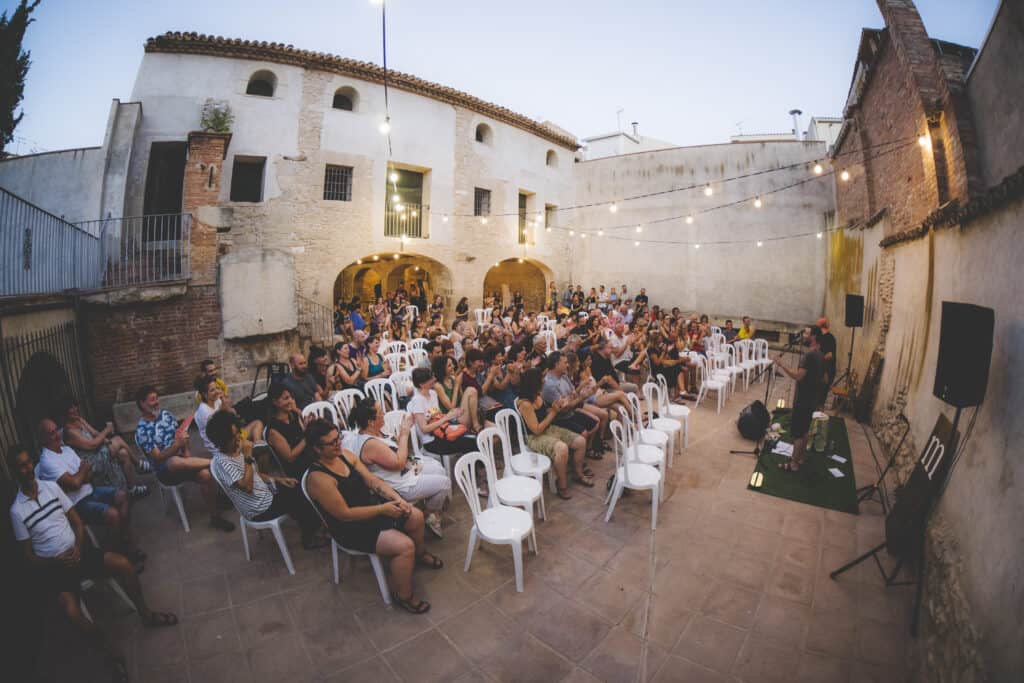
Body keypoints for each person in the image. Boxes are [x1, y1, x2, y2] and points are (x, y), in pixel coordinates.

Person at [9, 446, 178, 683]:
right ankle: (111, 654)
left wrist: (78, 547)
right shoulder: (17, 511)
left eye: (28, 463)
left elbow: (77, 523)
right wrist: (54, 560)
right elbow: (29, 556)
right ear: (14, 471)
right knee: (71, 612)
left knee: (123, 564)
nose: (27, 469)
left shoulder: (51, 488)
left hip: (79, 552)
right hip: (55, 568)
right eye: (21, 466)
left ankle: (147, 615)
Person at [304, 419, 441, 614]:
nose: (338, 444)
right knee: (404, 546)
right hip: (350, 527)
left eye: (338, 438)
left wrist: (396, 498)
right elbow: (345, 514)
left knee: (416, 516)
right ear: (317, 449)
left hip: (372, 508)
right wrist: (383, 509)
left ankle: (419, 556)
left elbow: (372, 480)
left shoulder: (344, 455)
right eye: (332, 442)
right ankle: (404, 596)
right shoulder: (319, 478)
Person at [206, 411, 327, 550]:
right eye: (233, 436)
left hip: (266, 495)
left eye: (238, 432)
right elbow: (247, 486)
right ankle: (310, 537)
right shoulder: (222, 462)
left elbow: (255, 475)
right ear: (222, 440)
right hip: (259, 509)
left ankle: (312, 524)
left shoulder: (236, 449)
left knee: (298, 484)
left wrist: (278, 479)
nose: (239, 437)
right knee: (300, 497)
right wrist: (248, 456)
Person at [35, 419, 142, 561]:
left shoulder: (66, 450)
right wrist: (81, 473)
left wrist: (80, 476)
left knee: (123, 496)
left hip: (89, 490)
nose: (57, 435)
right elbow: (75, 483)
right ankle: (117, 554)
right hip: (75, 504)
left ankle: (119, 544)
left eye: (56, 430)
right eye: (51, 433)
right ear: (43, 439)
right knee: (113, 515)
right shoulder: (47, 461)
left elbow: (88, 474)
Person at [134, 386, 234, 532]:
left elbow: (181, 432)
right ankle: (218, 462)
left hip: (181, 460)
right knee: (173, 461)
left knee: (205, 475)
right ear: (142, 404)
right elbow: (157, 457)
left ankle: (215, 517)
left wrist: (186, 450)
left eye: (157, 398)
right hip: (165, 469)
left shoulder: (166, 415)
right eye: (152, 400)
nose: (156, 402)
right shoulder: (142, 430)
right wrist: (177, 447)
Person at [349, 397, 450, 537]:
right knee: (444, 483)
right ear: (370, 422)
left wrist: (402, 432)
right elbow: (398, 463)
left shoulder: (377, 431)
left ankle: (431, 505)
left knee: (438, 468)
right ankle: (428, 514)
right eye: (380, 412)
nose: (384, 414)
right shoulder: (370, 444)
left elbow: (393, 446)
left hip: (407, 467)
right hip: (400, 482)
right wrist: (404, 432)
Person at [514, 368, 587, 499]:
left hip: (548, 429)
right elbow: (536, 430)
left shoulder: (537, 395)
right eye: (541, 379)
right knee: (562, 449)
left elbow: (545, 413)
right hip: (534, 437)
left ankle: (578, 473)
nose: (544, 380)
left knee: (581, 441)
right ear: (533, 383)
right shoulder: (525, 404)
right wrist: (553, 412)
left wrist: (555, 406)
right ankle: (562, 485)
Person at [55, 396, 147, 497]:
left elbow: (94, 433)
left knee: (123, 453)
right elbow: (92, 445)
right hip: (90, 461)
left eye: (75, 406)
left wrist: (106, 441)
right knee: (117, 439)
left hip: (97, 450)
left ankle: (131, 488)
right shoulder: (69, 432)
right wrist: (107, 431)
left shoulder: (79, 420)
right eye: (71, 408)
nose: (75, 409)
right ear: (65, 413)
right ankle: (138, 464)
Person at [775, 328, 827, 473]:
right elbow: (825, 379)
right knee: (804, 431)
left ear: (814, 337)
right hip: (811, 399)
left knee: (798, 433)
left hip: (803, 400)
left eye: (806, 334)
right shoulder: (821, 355)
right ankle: (801, 458)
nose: (803, 336)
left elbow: (798, 376)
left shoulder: (809, 355)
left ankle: (793, 464)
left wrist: (781, 364)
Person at [541, 352, 601, 470]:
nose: (568, 365)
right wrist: (581, 397)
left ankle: (582, 454)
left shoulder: (563, 375)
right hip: (558, 419)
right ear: (556, 364)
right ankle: (576, 464)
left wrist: (580, 391)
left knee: (595, 423)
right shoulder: (550, 385)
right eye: (565, 363)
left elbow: (573, 394)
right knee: (583, 433)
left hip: (571, 411)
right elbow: (564, 409)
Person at [193, 376, 263, 457]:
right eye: (212, 390)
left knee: (257, 423)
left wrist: (225, 401)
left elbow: (233, 415)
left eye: (216, 388)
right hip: (222, 445)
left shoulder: (216, 401)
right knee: (250, 446)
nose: (216, 391)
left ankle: (258, 446)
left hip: (232, 435)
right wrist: (223, 410)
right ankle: (255, 454)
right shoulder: (204, 412)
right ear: (205, 395)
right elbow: (222, 434)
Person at [265, 382, 315, 480]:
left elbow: (301, 434)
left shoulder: (293, 415)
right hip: (297, 468)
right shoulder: (273, 430)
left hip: (307, 456)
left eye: (291, 397)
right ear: (275, 402)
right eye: (286, 398)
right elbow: (290, 457)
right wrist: (307, 435)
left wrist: (307, 424)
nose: (291, 401)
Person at [817, 317, 838, 397]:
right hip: (821, 369)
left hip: (827, 371)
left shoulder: (830, 338)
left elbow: (830, 355)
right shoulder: (819, 337)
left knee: (821, 397)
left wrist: (818, 360)